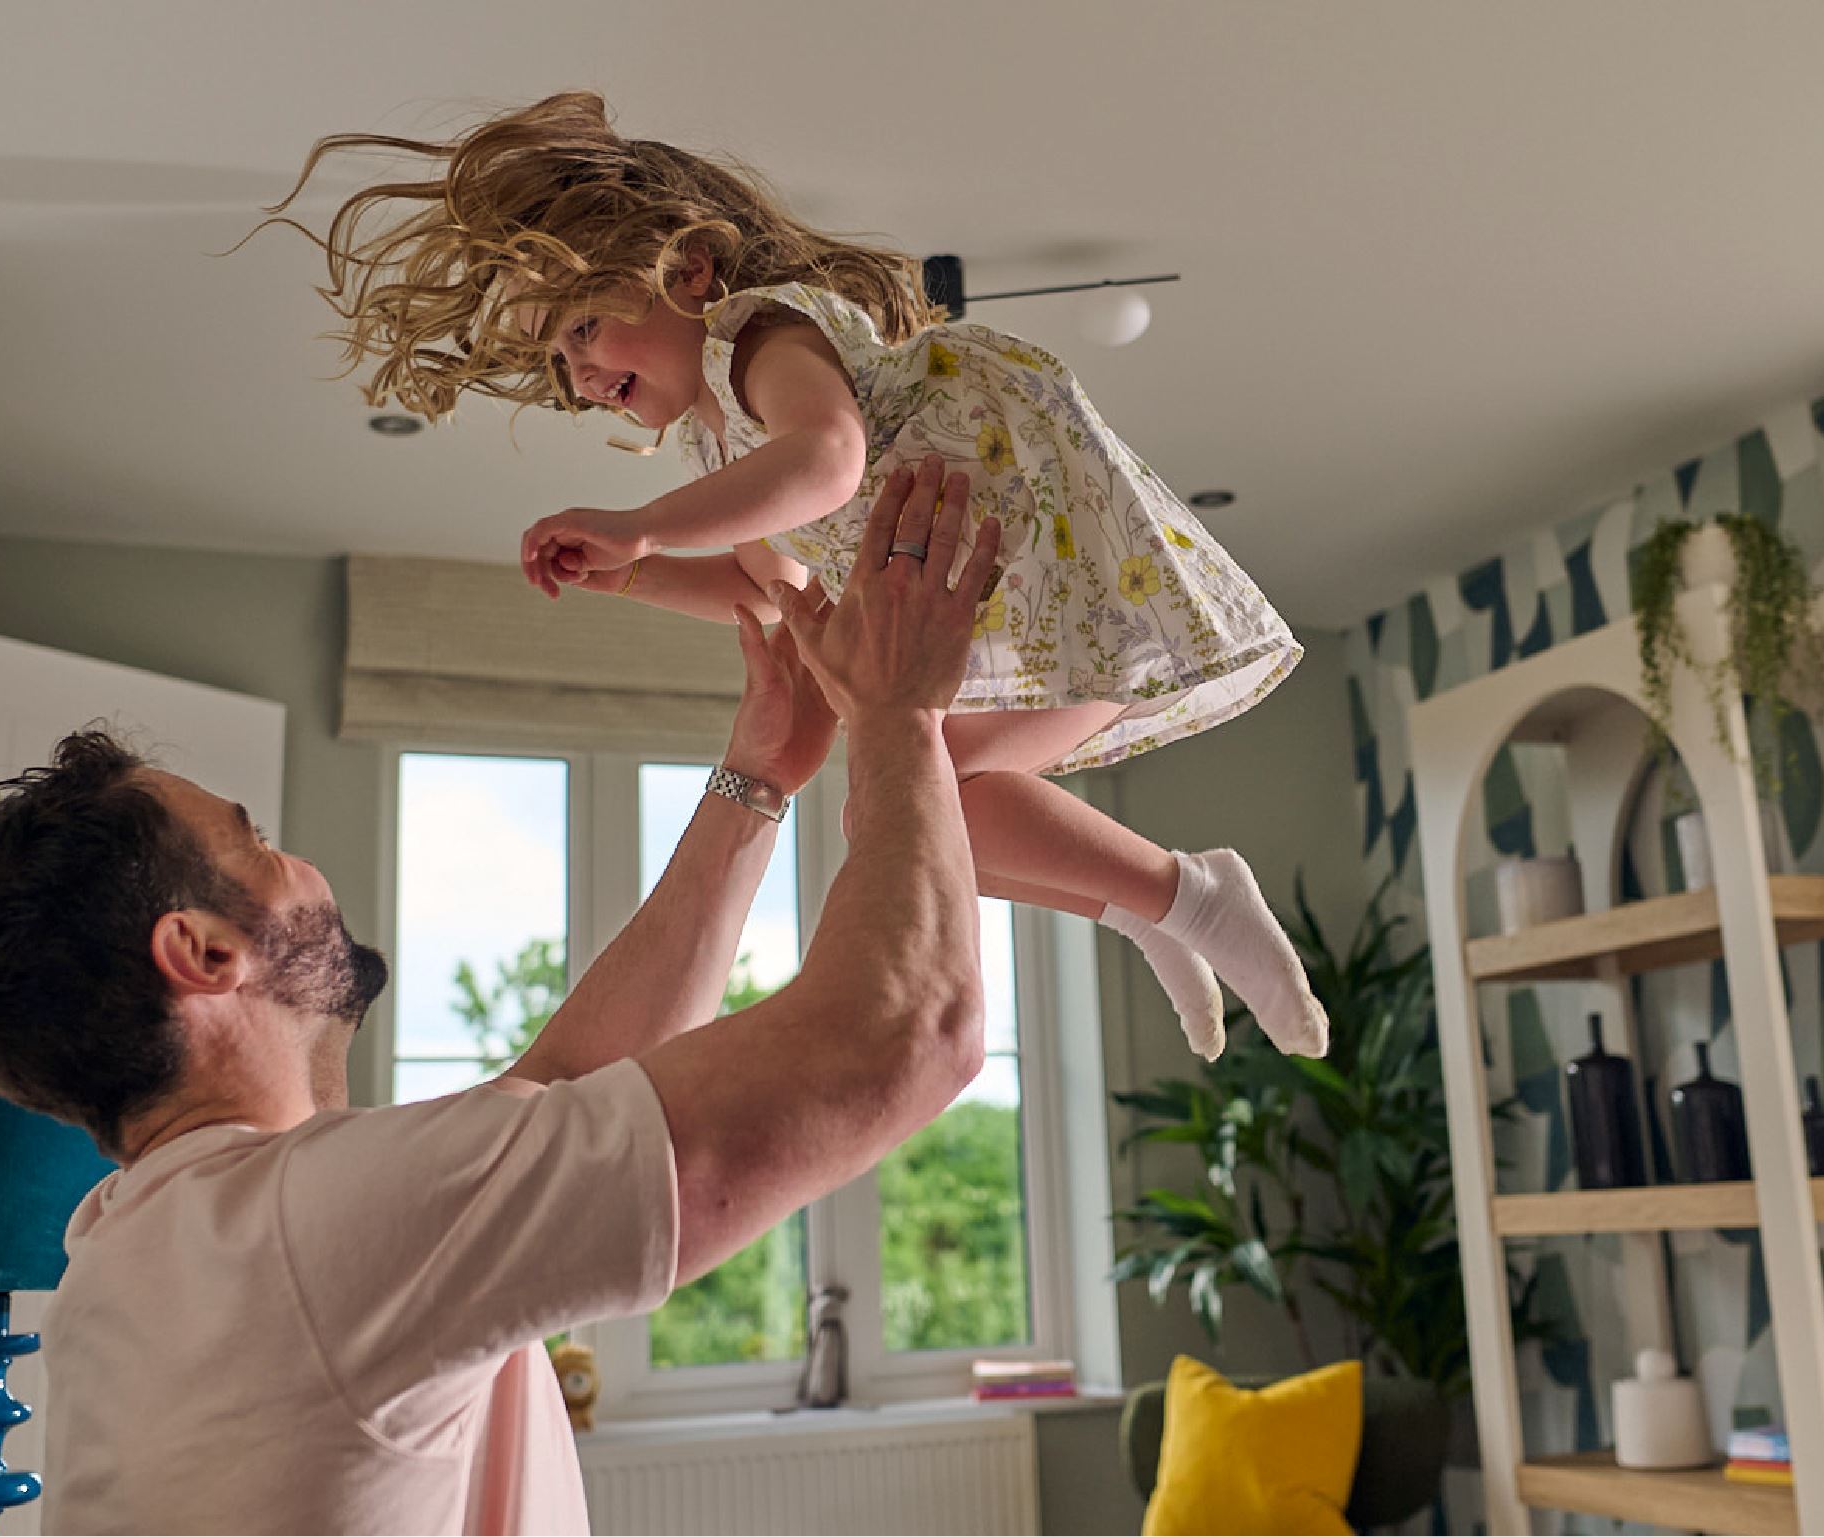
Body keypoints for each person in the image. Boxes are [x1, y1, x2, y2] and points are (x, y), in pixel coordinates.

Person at [0, 462, 1001, 1534]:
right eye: (256, 842)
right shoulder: (311, 1232)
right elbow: (905, 1033)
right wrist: (898, 715)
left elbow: (560, 1089)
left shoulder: (130, 1250)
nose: (305, 866)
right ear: (204, 954)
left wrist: (758, 775)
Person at [269, 90, 1326, 1063]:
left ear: (685, 271)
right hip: (997, 587)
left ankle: (1190, 896)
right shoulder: (717, 445)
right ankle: (1150, 905)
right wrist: (630, 579)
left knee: (919, 802)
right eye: (560, 360)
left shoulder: (759, 333)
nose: (581, 376)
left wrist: (641, 530)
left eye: (584, 327)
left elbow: (830, 461)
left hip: (1055, 553)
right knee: (906, 818)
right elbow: (771, 592)